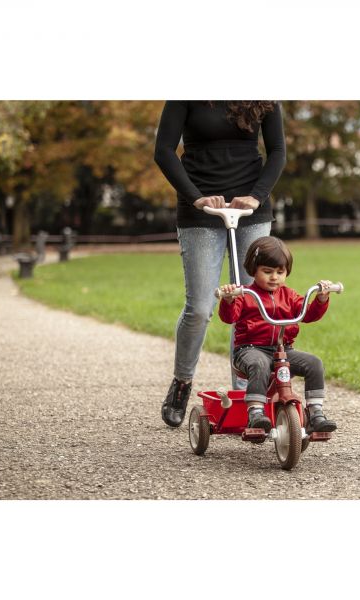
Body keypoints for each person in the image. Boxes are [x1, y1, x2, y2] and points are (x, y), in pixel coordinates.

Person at [154, 101, 286, 427]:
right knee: (200, 307)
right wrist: (195, 197)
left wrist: (256, 196)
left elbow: (278, 151)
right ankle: (182, 382)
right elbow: (164, 151)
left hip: (250, 211)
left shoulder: (263, 97)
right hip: (200, 211)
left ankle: (246, 395)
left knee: (248, 304)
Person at [218, 236, 338, 433]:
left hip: (283, 350)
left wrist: (321, 298)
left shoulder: (289, 296)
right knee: (260, 364)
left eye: (280, 272)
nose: (274, 277)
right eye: (267, 271)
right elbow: (229, 317)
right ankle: (255, 412)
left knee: (314, 363)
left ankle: (316, 412)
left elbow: (306, 315)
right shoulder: (246, 295)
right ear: (254, 270)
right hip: (250, 350)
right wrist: (229, 300)